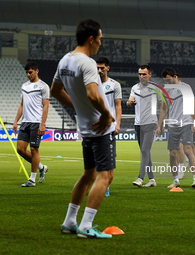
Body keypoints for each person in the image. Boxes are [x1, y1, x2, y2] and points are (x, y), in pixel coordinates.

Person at [51, 19, 115, 239]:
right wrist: (106, 114)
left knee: (89, 174)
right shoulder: (86, 62)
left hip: (86, 128)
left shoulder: (65, 61)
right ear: (91, 38)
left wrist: (77, 107)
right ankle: (86, 227)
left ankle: (69, 222)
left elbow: (55, 91)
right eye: (99, 38)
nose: (100, 42)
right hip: (100, 128)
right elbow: (93, 94)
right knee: (105, 176)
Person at [155, 68, 195, 189]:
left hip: (186, 123)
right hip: (172, 125)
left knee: (188, 150)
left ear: (174, 76)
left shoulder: (185, 87)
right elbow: (164, 109)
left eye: (169, 80)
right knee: (172, 153)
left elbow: (193, 106)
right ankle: (176, 180)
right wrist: (159, 125)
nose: (167, 83)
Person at [12, 61, 49, 187]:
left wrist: (43, 124)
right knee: (20, 149)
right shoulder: (24, 86)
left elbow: (45, 106)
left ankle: (32, 179)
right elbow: (22, 104)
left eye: (30, 72)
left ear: (36, 71)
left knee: (34, 149)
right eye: (26, 73)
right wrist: (16, 121)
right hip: (25, 122)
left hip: (36, 122)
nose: (28, 75)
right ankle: (41, 167)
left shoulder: (43, 86)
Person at [128, 65, 159, 188]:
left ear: (149, 75)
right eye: (140, 74)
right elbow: (129, 101)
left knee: (145, 151)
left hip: (151, 123)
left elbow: (163, 105)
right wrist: (130, 102)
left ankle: (140, 178)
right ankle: (152, 179)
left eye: (144, 74)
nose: (141, 76)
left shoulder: (155, 88)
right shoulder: (135, 88)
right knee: (145, 152)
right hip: (138, 124)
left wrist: (160, 123)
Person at [96, 57, 122, 197]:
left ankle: (105, 187)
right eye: (97, 68)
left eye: (102, 68)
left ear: (108, 68)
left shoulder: (114, 85)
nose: (99, 70)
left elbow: (118, 106)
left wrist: (117, 123)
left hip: (110, 128)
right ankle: (99, 185)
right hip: (95, 128)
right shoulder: (92, 85)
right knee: (95, 162)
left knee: (109, 162)